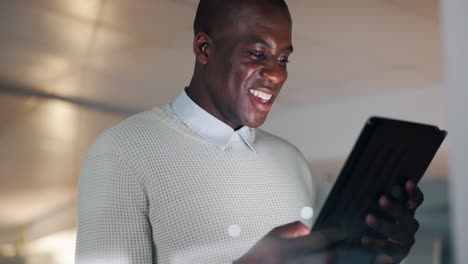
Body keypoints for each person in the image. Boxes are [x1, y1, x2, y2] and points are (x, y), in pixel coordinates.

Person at [75, 0, 423, 263]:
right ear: (204, 48)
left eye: (283, 58)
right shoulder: (122, 152)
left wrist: (379, 251)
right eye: (258, 54)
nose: (276, 74)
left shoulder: (291, 159)